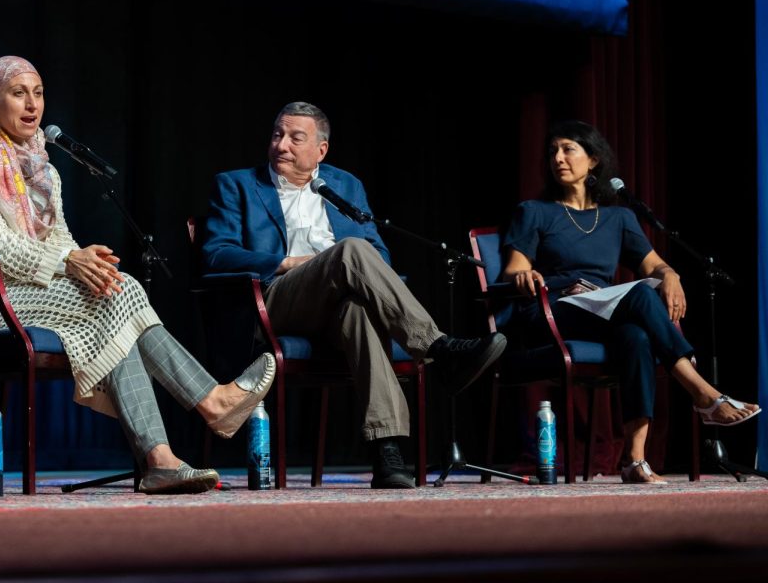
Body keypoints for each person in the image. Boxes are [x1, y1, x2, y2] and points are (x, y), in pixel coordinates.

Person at [0, 55, 276, 495]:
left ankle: (162, 459)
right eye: (19, 93)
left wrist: (81, 256)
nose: (32, 104)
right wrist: (67, 263)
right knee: (118, 294)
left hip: (26, 290)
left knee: (113, 292)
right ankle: (208, 404)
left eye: (38, 93)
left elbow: (59, 239)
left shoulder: (43, 167)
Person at [201, 102, 506, 489]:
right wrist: (286, 262)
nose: (282, 145)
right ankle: (438, 349)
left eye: (296, 138)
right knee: (351, 249)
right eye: (278, 134)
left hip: (332, 304)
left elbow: (380, 254)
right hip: (275, 300)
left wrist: (356, 270)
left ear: (321, 150)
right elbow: (216, 253)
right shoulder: (237, 184)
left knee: (358, 311)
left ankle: (387, 454)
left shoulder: (344, 185)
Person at [501, 119, 759, 484]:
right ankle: (703, 392)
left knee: (636, 336)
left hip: (604, 309)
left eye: (568, 149)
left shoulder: (619, 217)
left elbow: (655, 265)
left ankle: (634, 462)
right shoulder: (535, 211)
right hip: (554, 309)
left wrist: (671, 275)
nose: (558, 158)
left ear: (593, 160)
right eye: (553, 151)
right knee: (640, 292)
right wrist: (522, 276)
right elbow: (514, 269)